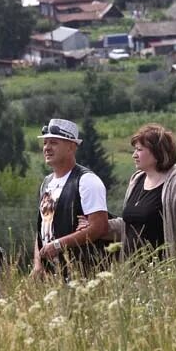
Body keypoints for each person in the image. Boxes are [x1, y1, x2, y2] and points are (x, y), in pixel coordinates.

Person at [105, 124, 176, 271]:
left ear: (157, 153)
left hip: (167, 274)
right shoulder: (136, 180)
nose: (134, 155)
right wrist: (100, 225)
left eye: (139, 150)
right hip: (135, 275)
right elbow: (131, 225)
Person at [34, 118, 109, 278]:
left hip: (83, 273)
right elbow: (41, 227)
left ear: (71, 147)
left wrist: (59, 245)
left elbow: (99, 227)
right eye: (45, 143)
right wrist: (38, 264)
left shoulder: (87, 181)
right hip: (51, 275)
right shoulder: (46, 183)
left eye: (53, 143)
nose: (47, 148)